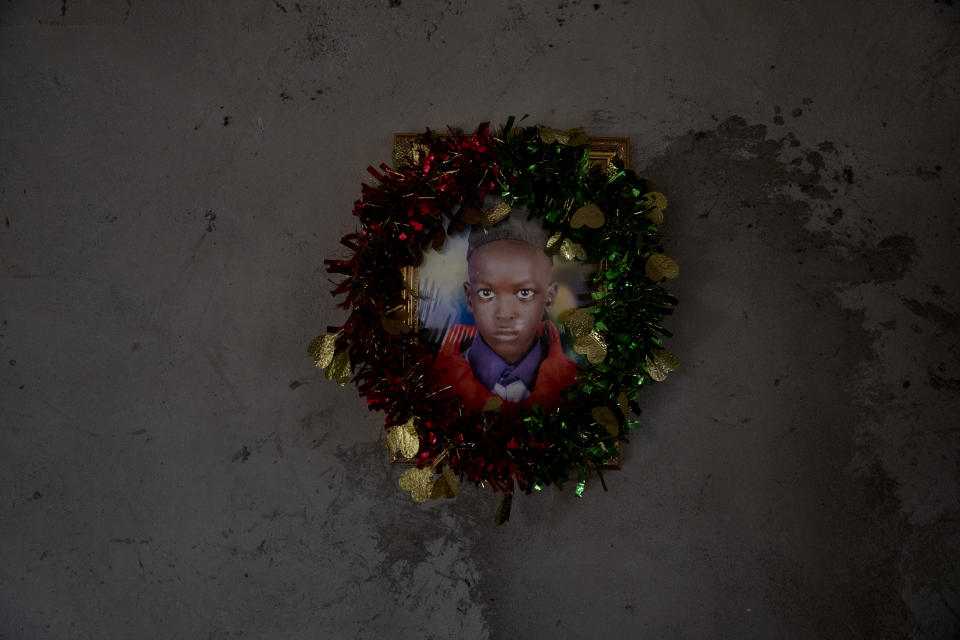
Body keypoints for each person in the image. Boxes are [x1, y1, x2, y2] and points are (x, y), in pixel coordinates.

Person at [433, 206, 578, 414]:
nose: (505, 314)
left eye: (525, 293)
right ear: (469, 297)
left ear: (549, 298)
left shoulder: (576, 384)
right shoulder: (434, 384)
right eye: (486, 293)